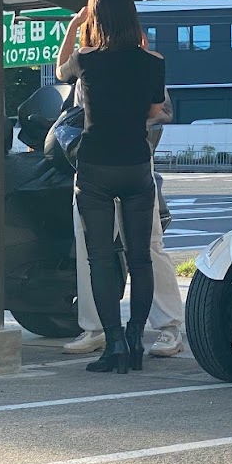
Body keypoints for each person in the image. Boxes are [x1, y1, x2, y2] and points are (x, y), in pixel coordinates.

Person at [56, 0, 166, 374]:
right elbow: (154, 110)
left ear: (96, 18)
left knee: (100, 258)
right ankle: (136, 337)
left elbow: (60, 70)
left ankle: (114, 343)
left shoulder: (86, 60)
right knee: (140, 257)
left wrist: (74, 25)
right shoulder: (153, 62)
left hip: (95, 168)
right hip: (136, 165)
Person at [63, 92, 186, 358]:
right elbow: (65, 82)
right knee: (87, 246)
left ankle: (169, 325)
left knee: (148, 244)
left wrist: (124, 121)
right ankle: (95, 327)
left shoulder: (137, 66)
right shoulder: (84, 71)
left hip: (131, 156)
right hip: (92, 157)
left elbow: (164, 110)